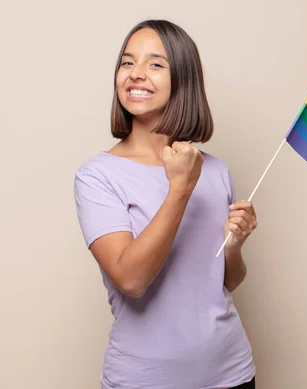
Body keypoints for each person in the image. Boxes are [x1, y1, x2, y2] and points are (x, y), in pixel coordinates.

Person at [73, 19, 257, 389]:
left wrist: (234, 247)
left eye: (155, 64)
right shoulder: (97, 176)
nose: (136, 74)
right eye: (127, 63)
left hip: (232, 373)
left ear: (183, 81)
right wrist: (179, 189)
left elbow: (227, 281)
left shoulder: (216, 170)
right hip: (145, 380)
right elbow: (131, 279)